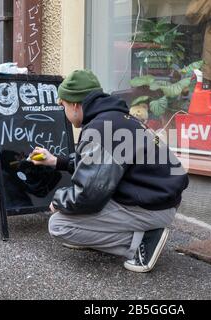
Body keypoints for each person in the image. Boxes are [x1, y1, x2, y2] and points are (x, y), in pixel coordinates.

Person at [30, 69, 189, 273]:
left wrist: (59, 200)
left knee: (60, 225)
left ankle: (144, 240)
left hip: (151, 207)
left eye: (64, 105)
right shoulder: (117, 119)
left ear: (76, 105)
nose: (64, 112)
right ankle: (119, 234)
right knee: (76, 213)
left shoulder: (100, 129)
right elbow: (99, 165)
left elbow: (88, 195)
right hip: (159, 198)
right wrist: (56, 161)